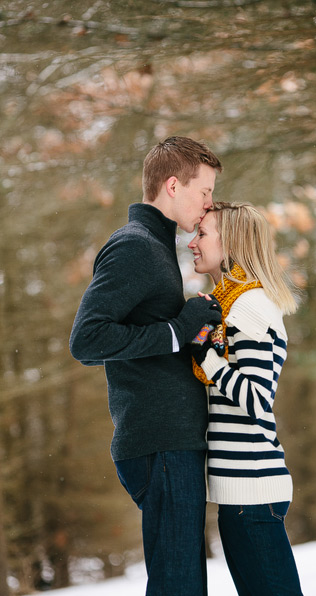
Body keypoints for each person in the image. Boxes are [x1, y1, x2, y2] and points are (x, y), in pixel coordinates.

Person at [69, 136, 223, 596]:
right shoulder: (135, 246)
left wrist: (194, 333)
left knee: (183, 580)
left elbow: (152, 336)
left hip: (172, 440)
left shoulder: (156, 246)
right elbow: (87, 340)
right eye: (205, 191)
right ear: (173, 186)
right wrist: (178, 329)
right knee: (179, 584)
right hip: (160, 443)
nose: (209, 202)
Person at [188, 201, 304, 596]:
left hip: (252, 492)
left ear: (231, 242)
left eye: (202, 234)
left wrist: (206, 356)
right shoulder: (229, 304)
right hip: (239, 494)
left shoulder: (249, 306)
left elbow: (257, 399)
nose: (192, 243)